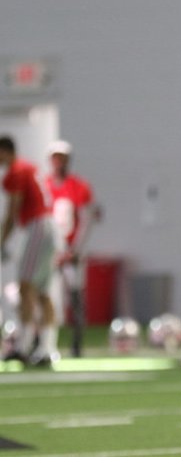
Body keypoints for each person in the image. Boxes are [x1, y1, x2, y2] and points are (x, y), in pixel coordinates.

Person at [0, 135, 58, 366]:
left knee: (25, 286)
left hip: (37, 227)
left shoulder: (16, 171)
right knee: (42, 291)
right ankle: (46, 348)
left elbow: (12, 212)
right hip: (46, 226)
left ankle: (23, 347)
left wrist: (2, 241)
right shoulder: (28, 167)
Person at [44, 140, 98, 359]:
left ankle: (77, 345)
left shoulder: (79, 186)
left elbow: (86, 219)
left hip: (71, 249)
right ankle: (44, 343)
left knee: (76, 297)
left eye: (63, 157)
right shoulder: (44, 184)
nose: (59, 161)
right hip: (49, 251)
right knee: (43, 296)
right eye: (55, 157)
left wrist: (76, 249)